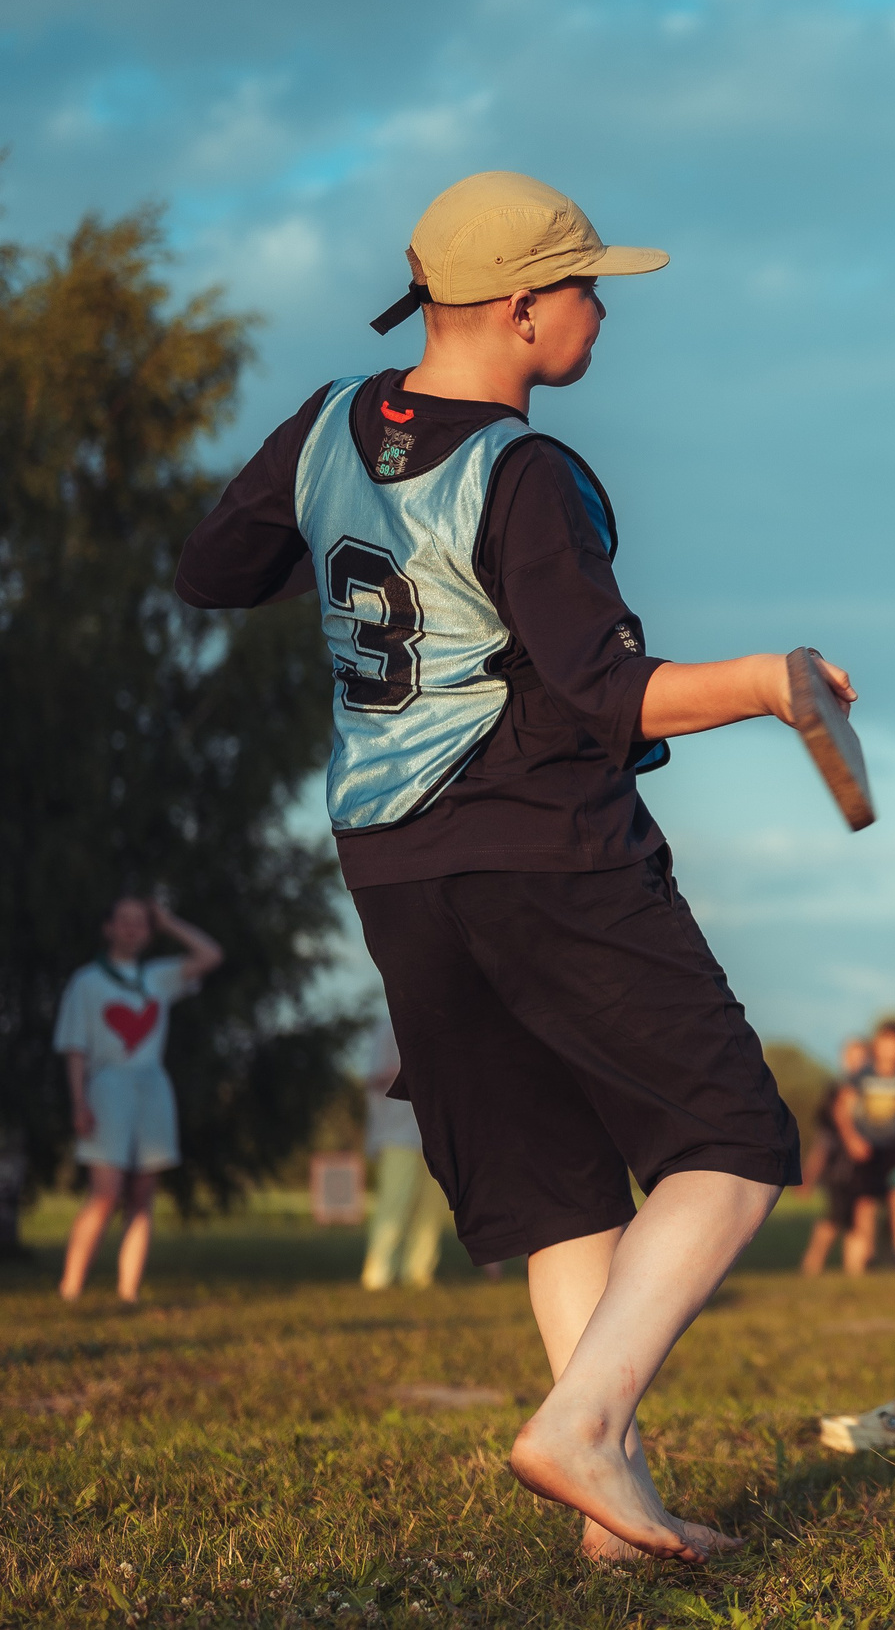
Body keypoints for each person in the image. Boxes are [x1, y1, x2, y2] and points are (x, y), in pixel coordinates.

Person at [175, 171, 847, 1563]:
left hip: (391, 865)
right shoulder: (526, 474)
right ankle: (584, 1423)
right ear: (525, 308)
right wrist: (773, 683)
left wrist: (370, 548)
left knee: (557, 1183)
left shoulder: (325, 426)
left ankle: (617, 1511)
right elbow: (609, 697)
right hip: (544, 842)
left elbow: (211, 571)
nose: (602, 309)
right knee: (733, 1138)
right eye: (589, 286)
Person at [54, 895, 223, 1302]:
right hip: (106, 1085)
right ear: (108, 928)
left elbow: (210, 954)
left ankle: (128, 1290)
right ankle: (71, 1287)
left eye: (140, 923)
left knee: (143, 1194)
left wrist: (168, 922)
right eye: (124, 921)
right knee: (106, 1191)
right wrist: (79, 1102)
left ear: (148, 932)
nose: (132, 928)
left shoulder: (157, 977)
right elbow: (75, 1047)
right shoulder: (87, 981)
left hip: (152, 1086)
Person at [362, 1021, 447, 1290]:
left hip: (439, 1131)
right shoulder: (388, 1026)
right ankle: (379, 1272)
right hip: (398, 1133)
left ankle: (418, 1271)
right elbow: (372, 1079)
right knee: (395, 1202)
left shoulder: (446, 1022)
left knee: (432, 1208)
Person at [838, 1020, 895, 1275]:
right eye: (887, 1044)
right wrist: (852, 1138)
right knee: (866, 1201)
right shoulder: (862, 1075)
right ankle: (868, 1254)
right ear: (877, 1045)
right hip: (868, 1147)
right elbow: (843, 1109)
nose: (892, 1050)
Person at [799, 1035, 869, 1277]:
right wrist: (809, 1175)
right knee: (833, 1218)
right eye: (853, 1058)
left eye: (863, 1058)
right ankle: (811, 1266)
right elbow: (823, 1142)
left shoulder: (872, 1093)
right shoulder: (835, 1094)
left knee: (856, 1221)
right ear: (843, 1060)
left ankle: (855, 1273)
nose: (858, 1064)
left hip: (864, 1168)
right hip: (839, 1167)